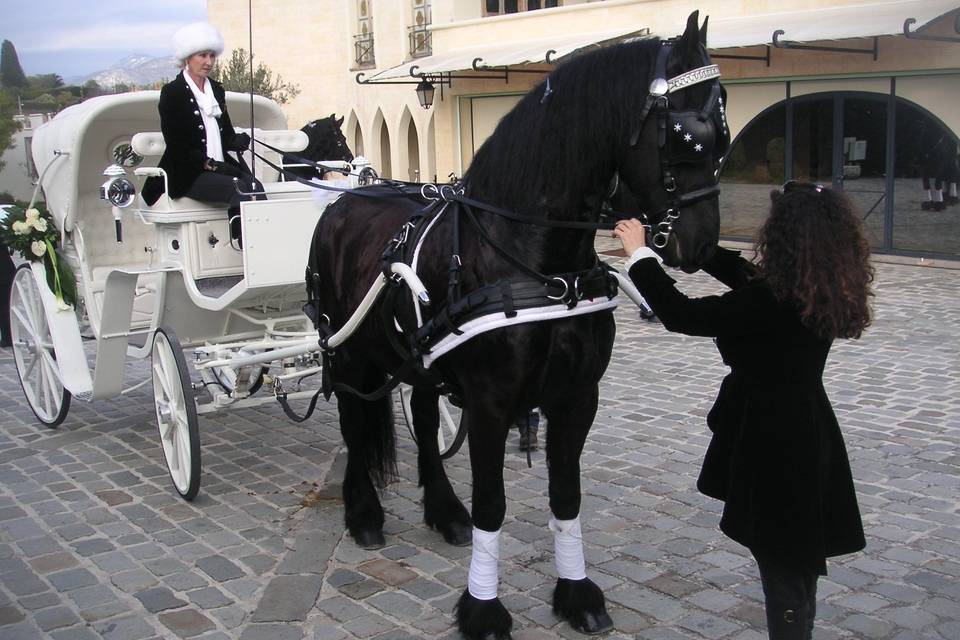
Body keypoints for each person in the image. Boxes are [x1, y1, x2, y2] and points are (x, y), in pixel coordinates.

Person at [614, 182, 872, 640]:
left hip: (775, 445)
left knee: (783, 568)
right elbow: (748, 278)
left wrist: (639, 256)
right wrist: (702, 253)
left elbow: (681, 314)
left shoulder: (771, 301)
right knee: (794, 564)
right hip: (807, 429)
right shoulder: (818, 286)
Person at [142, 22, 262, 239]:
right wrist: (209, 164)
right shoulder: (173, 93)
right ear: (187, 58)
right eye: (202, 56)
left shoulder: (216, 90)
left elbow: (224, 136)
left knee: (255, 186)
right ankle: (246, 251)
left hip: (219, 166)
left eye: (212, 56)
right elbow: (178, 145)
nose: (209, 62)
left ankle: (264, 246)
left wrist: (237, 141)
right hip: (188, 172)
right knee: (238, 190)